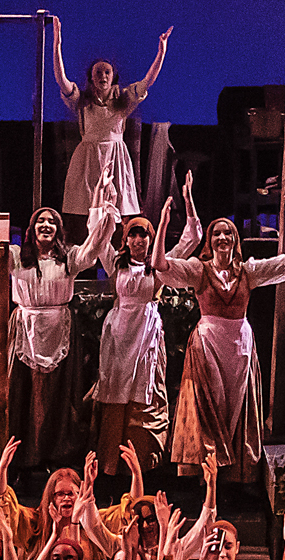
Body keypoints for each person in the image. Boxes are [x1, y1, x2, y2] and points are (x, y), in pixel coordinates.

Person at [166, 198, 285, 479]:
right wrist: (165, 223)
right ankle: (205, 470)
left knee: (235, 405)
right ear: (210, 241)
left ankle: (234, 474)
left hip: (239, 345)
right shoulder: (199, 269)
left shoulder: (247, 271)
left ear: (235, 240)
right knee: (208, 403)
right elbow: (161, 266)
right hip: (208, 344)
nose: (222, 238)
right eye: (217, 233)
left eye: (228, 233)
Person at [72, 195, 199, 477]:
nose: (139, 240)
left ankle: (144, 464)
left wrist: (187, 202)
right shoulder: (116, 263)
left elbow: (191, 238)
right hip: (118, 334)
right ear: (126, 239)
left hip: (146, 333)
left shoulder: (160, 265)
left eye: (144, 235)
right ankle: (110, 464)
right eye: (134, 235)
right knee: (114, 393)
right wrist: (103, 202)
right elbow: (98, 237)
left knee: (146, 391)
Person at [50, 17, 172, 221]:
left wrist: (161, 52)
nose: (103, 76)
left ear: (113, 76)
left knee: (116, 212)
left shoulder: (123, 100)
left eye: (107, 72)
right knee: (86, 212)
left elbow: (147, 82)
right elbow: (61, 80)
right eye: (98, 72)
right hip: (88, 159)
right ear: (91, 77)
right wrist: (57, 44)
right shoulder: (82, 101)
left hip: (115, 158)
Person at [9, 207, 85, 469]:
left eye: (52, 221)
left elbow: (95, 247)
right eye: (40, 220)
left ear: (58, 229)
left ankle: (54, 455)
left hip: (58, 329)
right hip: (26, 330)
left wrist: (102, 210)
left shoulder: (69, 258)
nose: (46, 225)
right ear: (31, 228)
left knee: (57, 394)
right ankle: (23, 459)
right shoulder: (18, 256)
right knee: (24, 394)